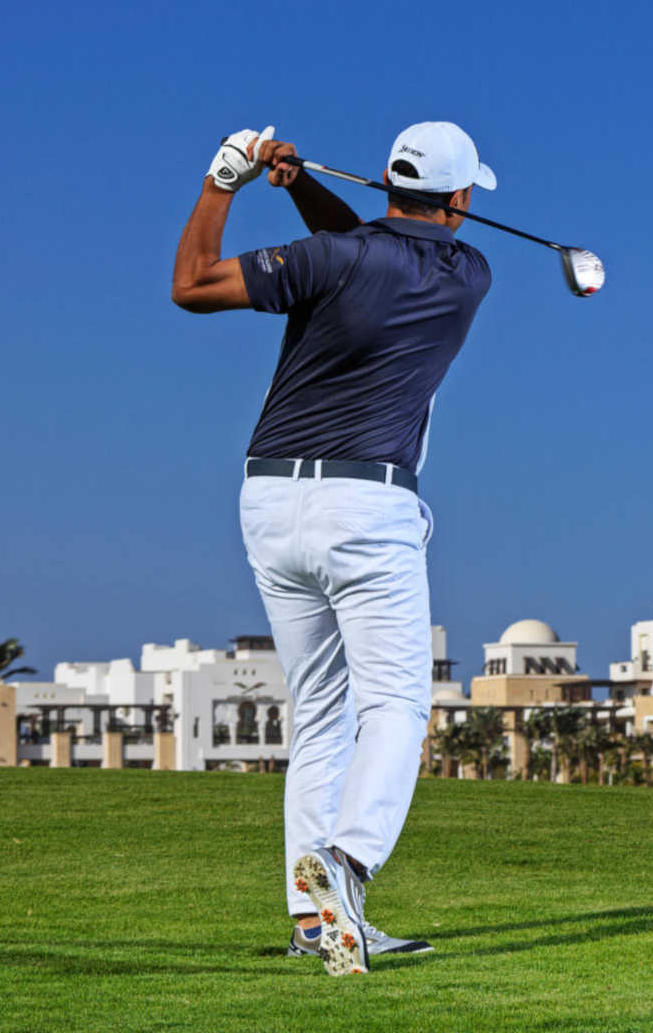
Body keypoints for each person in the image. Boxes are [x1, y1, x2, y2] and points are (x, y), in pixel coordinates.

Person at [171, 121, 496, 975]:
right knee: (395, 705)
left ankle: (314, 922)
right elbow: (368, 247)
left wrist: (223, 183)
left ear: (387, 182)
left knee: (321, 710)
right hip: (367, 507)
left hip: (269, 501)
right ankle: (346, 865)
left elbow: (195, 284)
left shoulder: (332, 258)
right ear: (461, 198)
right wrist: (302, 190)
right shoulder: (469, 273)